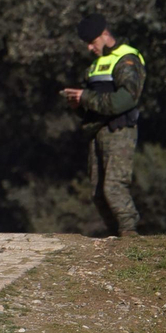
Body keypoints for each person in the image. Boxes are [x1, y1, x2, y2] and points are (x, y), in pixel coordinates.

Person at [60, 14, 144, 237]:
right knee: (98, 192)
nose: (89, 47)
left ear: (105, 34)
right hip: (97, 132)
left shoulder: (127, 59)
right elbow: (91, 104)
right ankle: (115, 235)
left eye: (92, 41)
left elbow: (126, 99)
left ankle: (129, 232)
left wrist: (86, 97)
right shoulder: (95, 66)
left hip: (119, 130)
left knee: (114, 187)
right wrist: (77, 103)